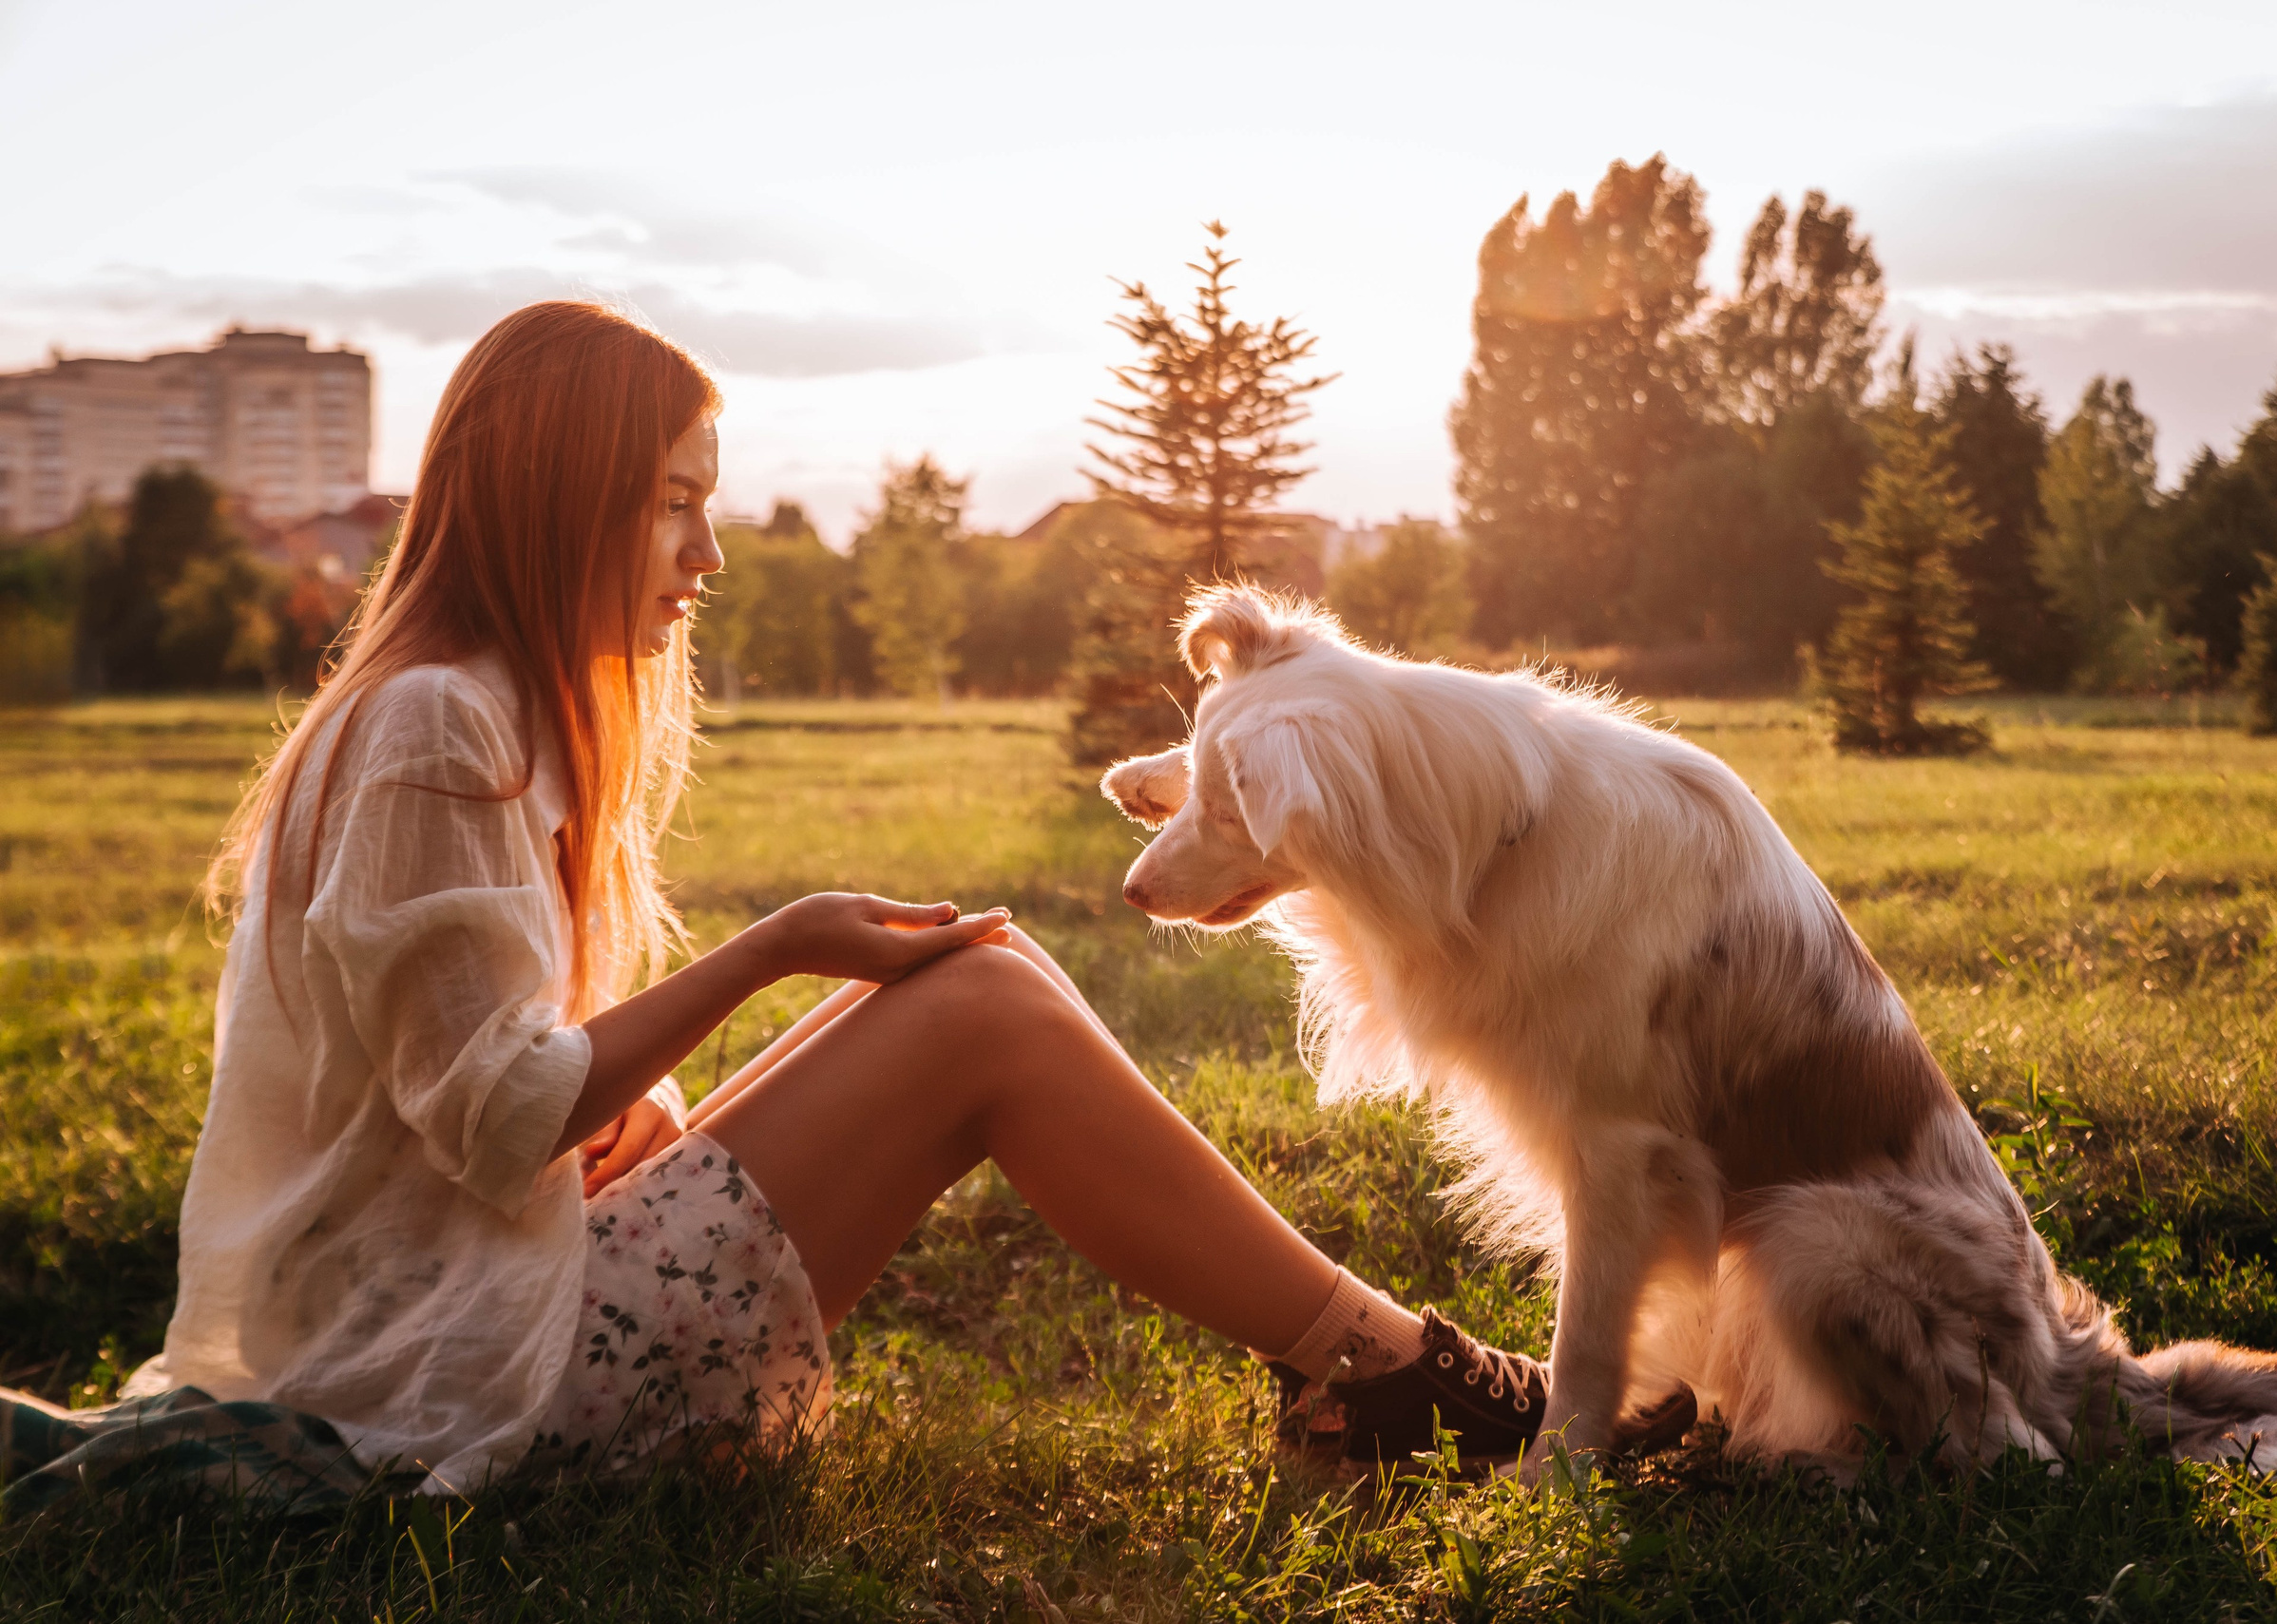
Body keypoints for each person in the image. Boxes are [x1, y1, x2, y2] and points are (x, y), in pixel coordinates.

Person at [140, 301, 1547, 1496]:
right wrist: (780, 948)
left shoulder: (469, 713)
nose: (711, 556)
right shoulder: (437, 725)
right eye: (675, 504)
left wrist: (638, 1120)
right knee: (984, 1008)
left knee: (987, 975)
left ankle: (1369, 1371)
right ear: (561, 500)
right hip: (465, 1390)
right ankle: (1388, 1377)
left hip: (478, 1316)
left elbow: (469, 1112)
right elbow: (500, 1115)